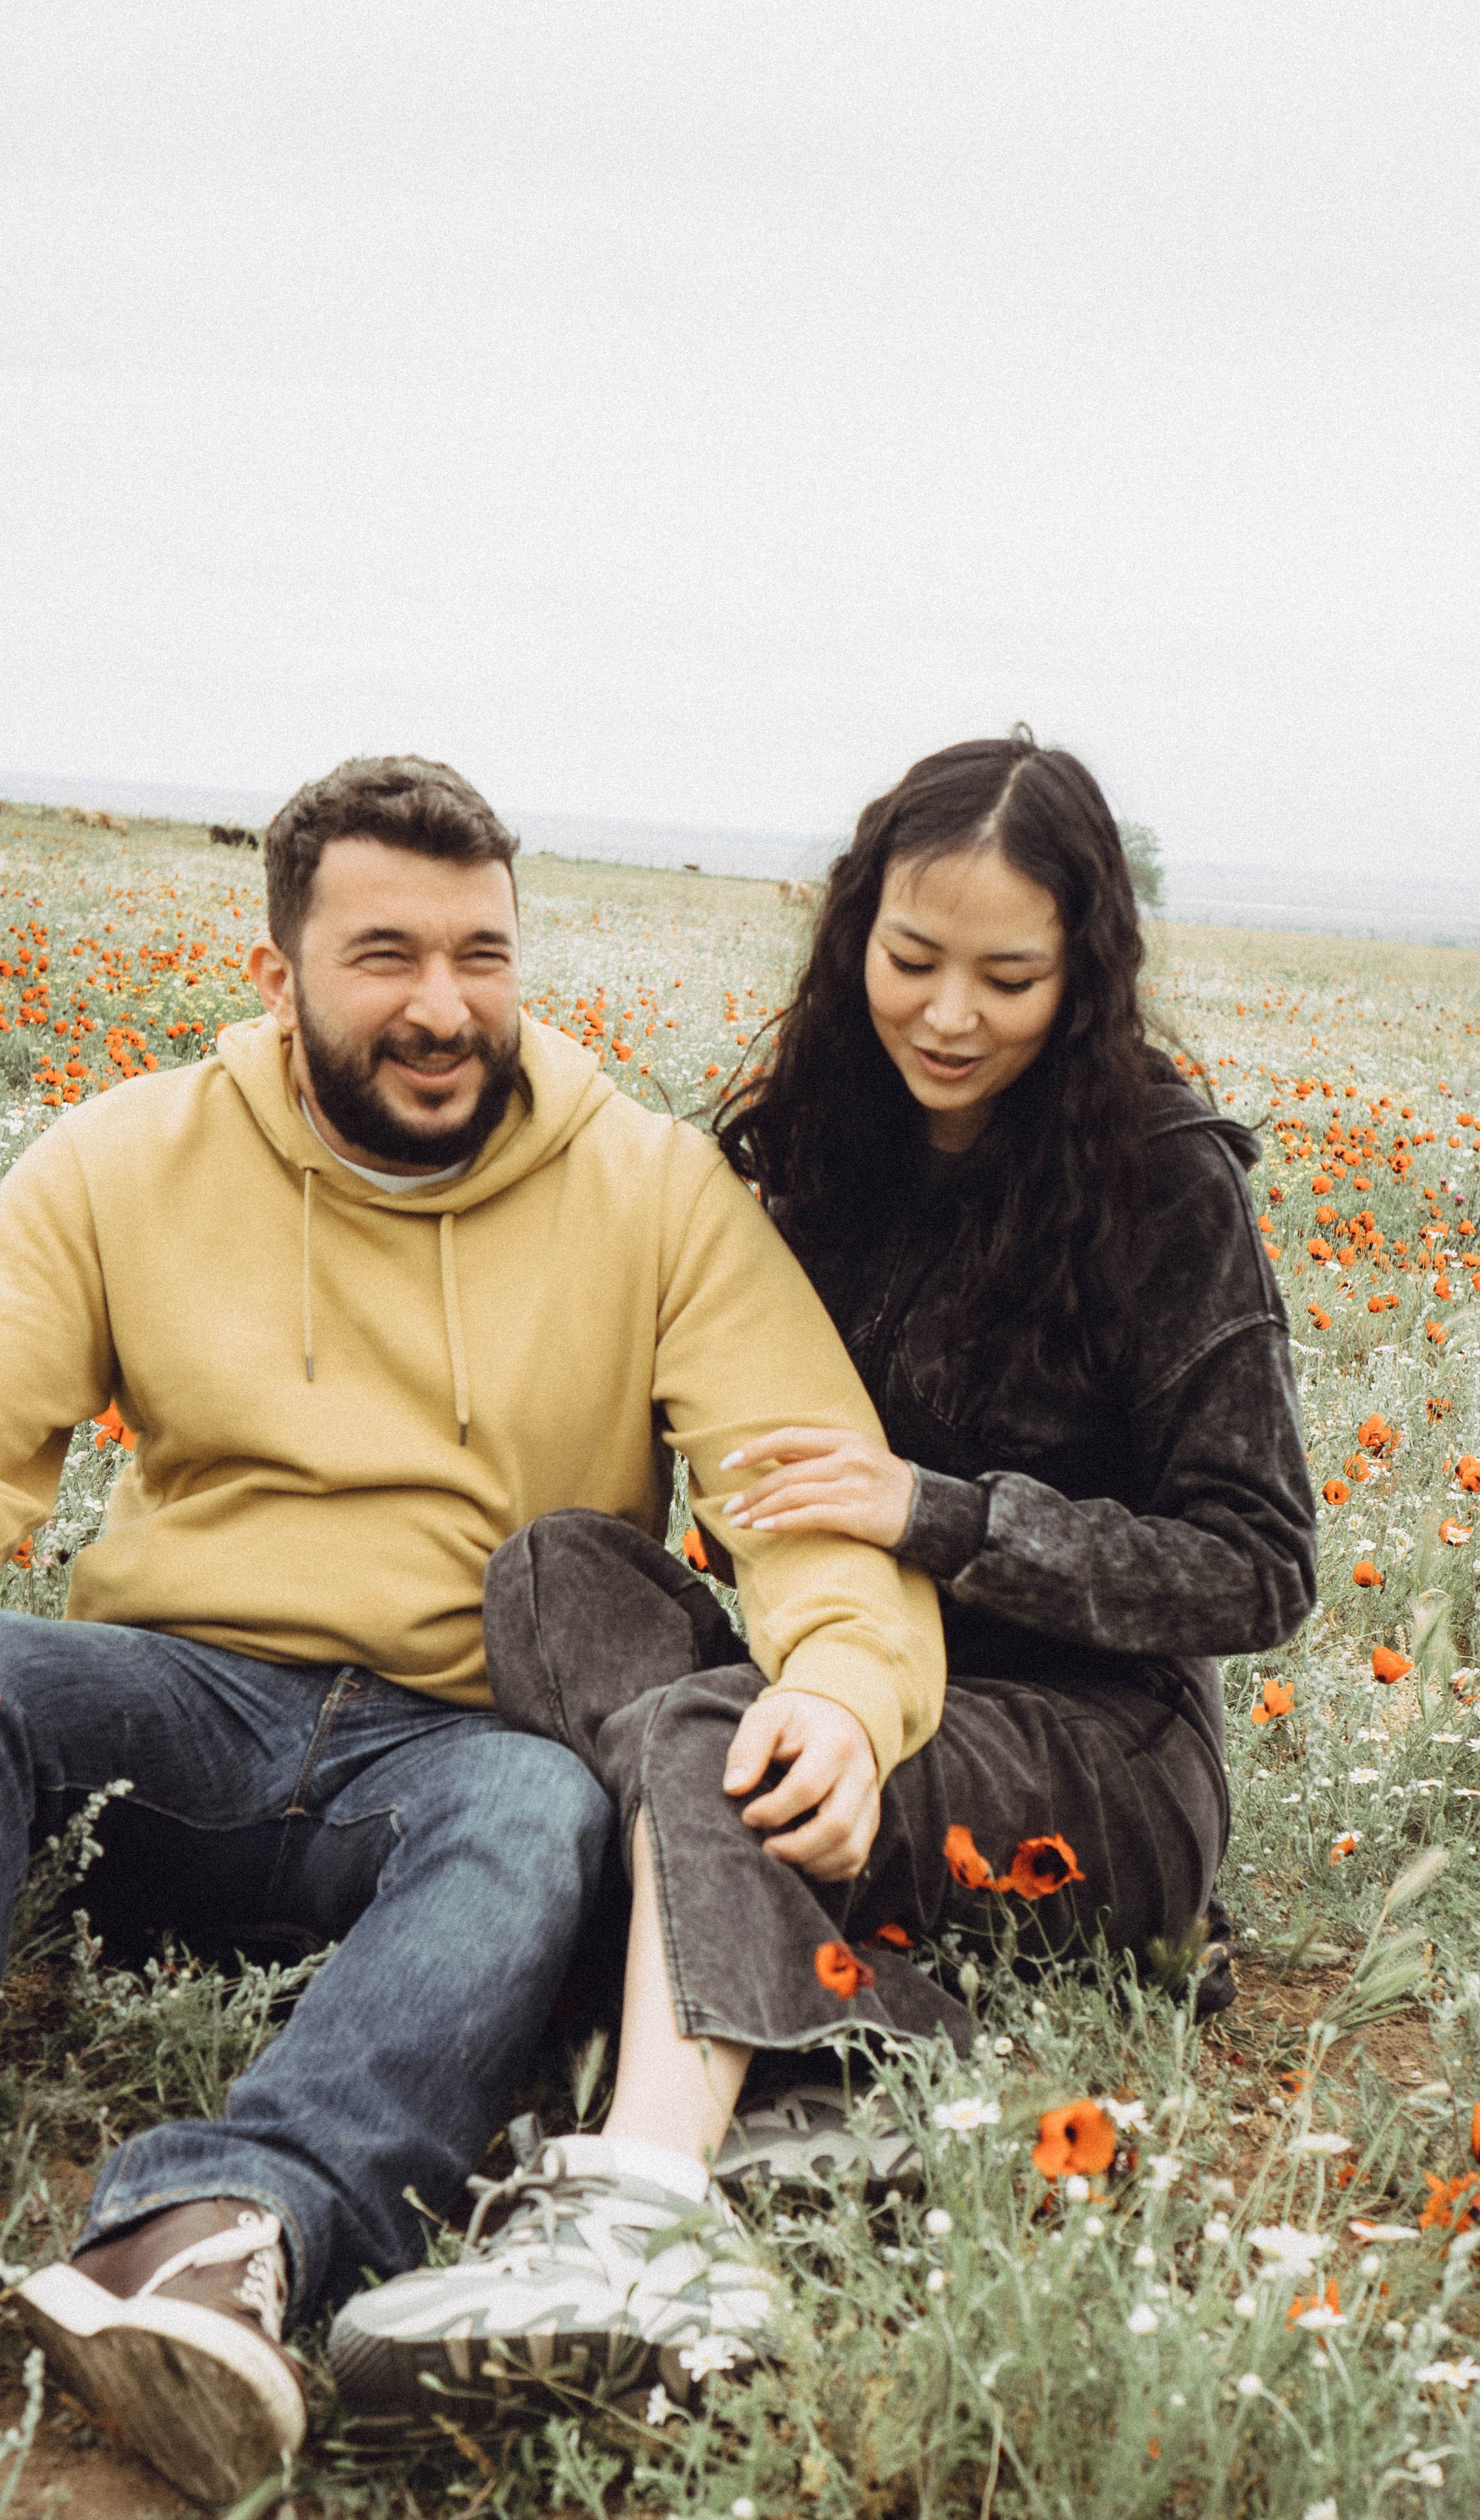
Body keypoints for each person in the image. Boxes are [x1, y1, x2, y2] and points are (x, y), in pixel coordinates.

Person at [328, 730, 1316, 2400]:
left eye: (1007, 977)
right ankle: (861, 2067)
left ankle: (642, 2215)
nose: (947, 1014)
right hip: (836, 1673)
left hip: (1090, 1744)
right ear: (854, 930)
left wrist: (939, 1515)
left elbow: (1258, 1566)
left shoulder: (1161, 1187)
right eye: (912, 959)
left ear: (1080, 977)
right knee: (559, 1571)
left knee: (716, 1746)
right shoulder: (811, 1150)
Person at [2, 755, 944, 2506]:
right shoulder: (122, 1160)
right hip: (178, 1708)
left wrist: (838, 1683)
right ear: (278, 975)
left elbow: (805, 1486)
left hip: (456, 1750)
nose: (444, 1009)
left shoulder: (652, 1190)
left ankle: (220, 2239)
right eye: (385, 956)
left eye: (481, 954)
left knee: (548, 1814)